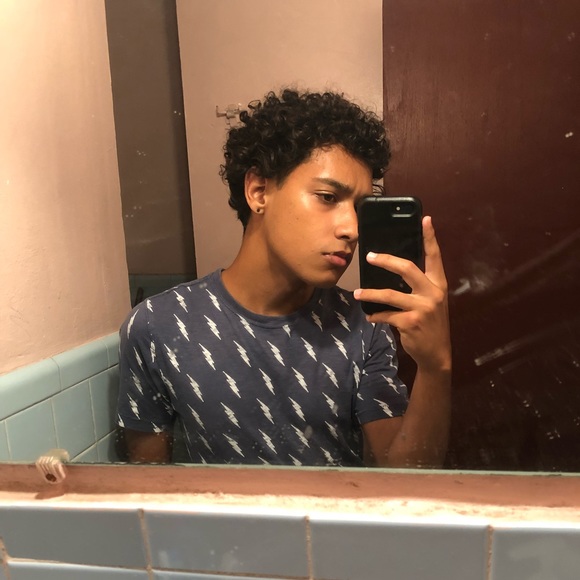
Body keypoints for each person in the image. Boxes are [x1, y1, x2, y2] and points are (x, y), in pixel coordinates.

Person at [116, 88, 451, 468]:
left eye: (360, 207)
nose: (352, 228)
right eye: (328, 197)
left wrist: (435, 367)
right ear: (258, 191)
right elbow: (148, 486)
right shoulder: (158, 325)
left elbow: (401, 479)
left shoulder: (362, 326)